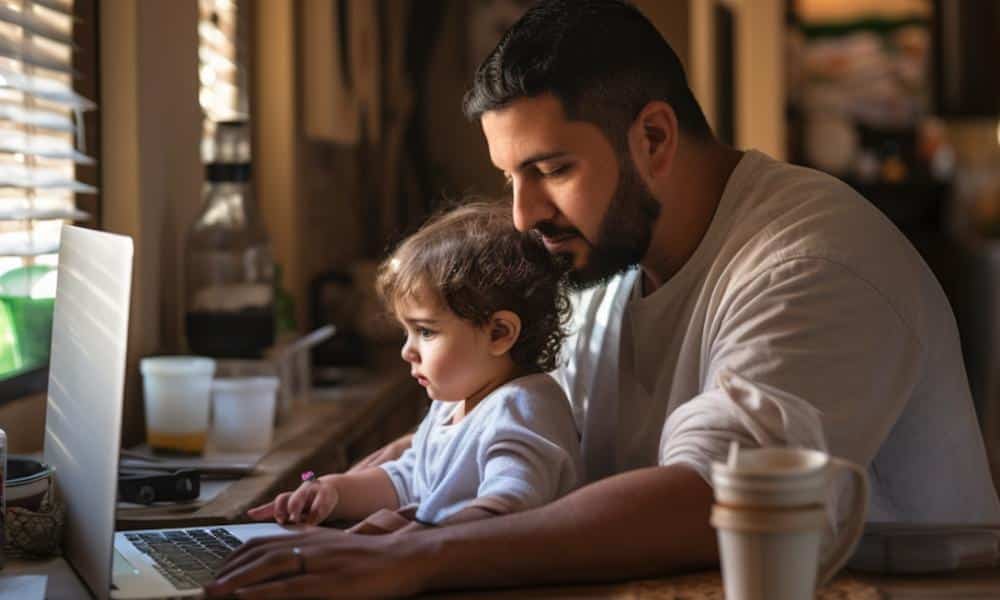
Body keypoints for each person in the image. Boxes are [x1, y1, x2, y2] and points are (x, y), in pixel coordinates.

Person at [207, 1, 1000, 597]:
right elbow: (495, 424)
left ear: (652, 137)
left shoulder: (814, 261)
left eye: (550, 169)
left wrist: (416, 555)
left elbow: (712, 501)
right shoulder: (607, 268)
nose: (523, 216)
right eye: (510, 178)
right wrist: (342, 504)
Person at [244, 201, 581, 534]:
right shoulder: (451, 405)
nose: (407, 351)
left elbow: (510, 506)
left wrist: (414, 534)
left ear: (499, 333)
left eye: (425, 331)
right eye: (407, 332)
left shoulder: (523, 407)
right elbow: (407, 480)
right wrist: (333, 492)